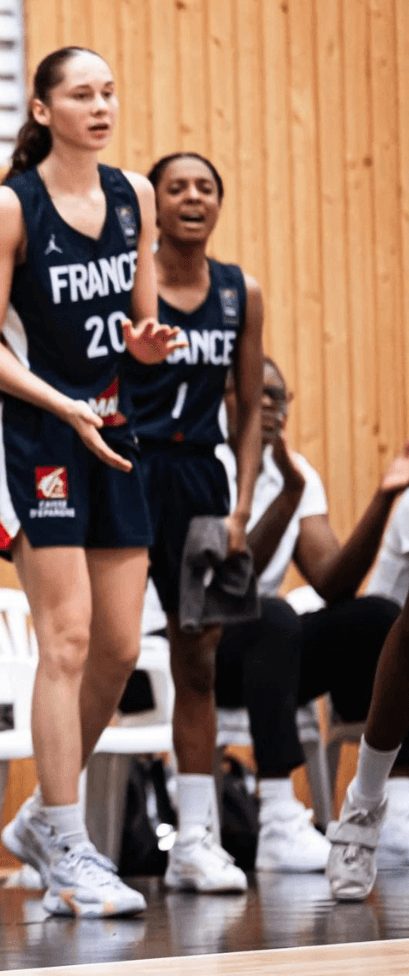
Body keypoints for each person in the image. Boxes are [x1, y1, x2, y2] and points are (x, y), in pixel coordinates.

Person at [0, 45, 182, 918]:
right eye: (81, 94)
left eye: (108, 92)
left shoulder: (131, 195)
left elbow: (139, 312)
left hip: (110, 427)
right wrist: (66, 403)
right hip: (35, 433)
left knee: (120, 650)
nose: (100, 106)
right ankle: (68, 842)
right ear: (43, 108)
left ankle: (40, 820)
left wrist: (141, 345)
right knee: (63, 639)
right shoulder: (6, 208)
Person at [210, 359, 409, 892]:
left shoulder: (292, 469)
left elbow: (331, 582)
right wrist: (286, 498)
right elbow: (224, 590)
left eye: (281, 395)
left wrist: (383, 497)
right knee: (271, 615)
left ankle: (390, 805)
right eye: (258, 392)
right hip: (198, 648)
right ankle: (277, 815)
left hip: (268, 653)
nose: (272, 404)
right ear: (222, 396)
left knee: (377, 618)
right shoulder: (199, 463)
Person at [126, 152, 263, 893]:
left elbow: (246, 409)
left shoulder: (240, 291)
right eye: (173, 187)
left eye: (203, 187)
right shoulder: (125, 279)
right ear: (153, 207)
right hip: (129, 466)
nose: (189, 197)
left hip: (201, 480)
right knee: (111, 653)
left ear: (218, 203)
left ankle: (195, 838)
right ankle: (57, 822)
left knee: (198, 660)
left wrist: (239, 503)